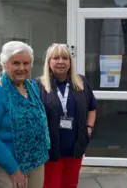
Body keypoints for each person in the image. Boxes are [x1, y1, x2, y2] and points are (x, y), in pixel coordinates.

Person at [0, 41, 50, 188]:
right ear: (5, 64)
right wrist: (13, 169)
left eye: (26, 63)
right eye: (16, 63)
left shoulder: (32, 87)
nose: (21, 68)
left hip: (34, 161)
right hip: (4, 165)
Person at [36, 43, 98, 188]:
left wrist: (88, 128)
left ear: (70, 62)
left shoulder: (81, 82)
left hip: (75, 148)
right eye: (55, 58)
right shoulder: (38, 85)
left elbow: (92, 108)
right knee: (51, 185)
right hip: (50, 151)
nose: (60, 62)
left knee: (70, 184)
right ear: (49, 62)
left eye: (65, 58)